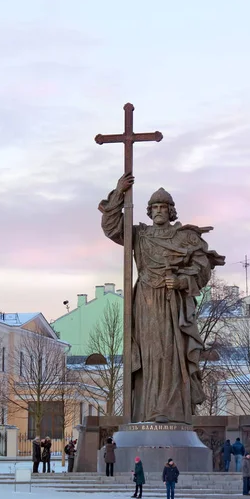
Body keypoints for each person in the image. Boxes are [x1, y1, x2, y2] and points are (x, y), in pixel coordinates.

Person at [99, 174, 225, 424]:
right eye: (154, 207)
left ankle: (170, 410)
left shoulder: (184, 237)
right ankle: (147, 411)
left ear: (171, 211)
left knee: (169, 355)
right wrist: (118, 193)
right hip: (145, 300)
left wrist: (181, 281)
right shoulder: (140, 236)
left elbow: (203, 267)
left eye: (163, 207)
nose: (158, 211)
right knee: (150, 356)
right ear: (149, 211)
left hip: (171, 303)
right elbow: (111, 228)